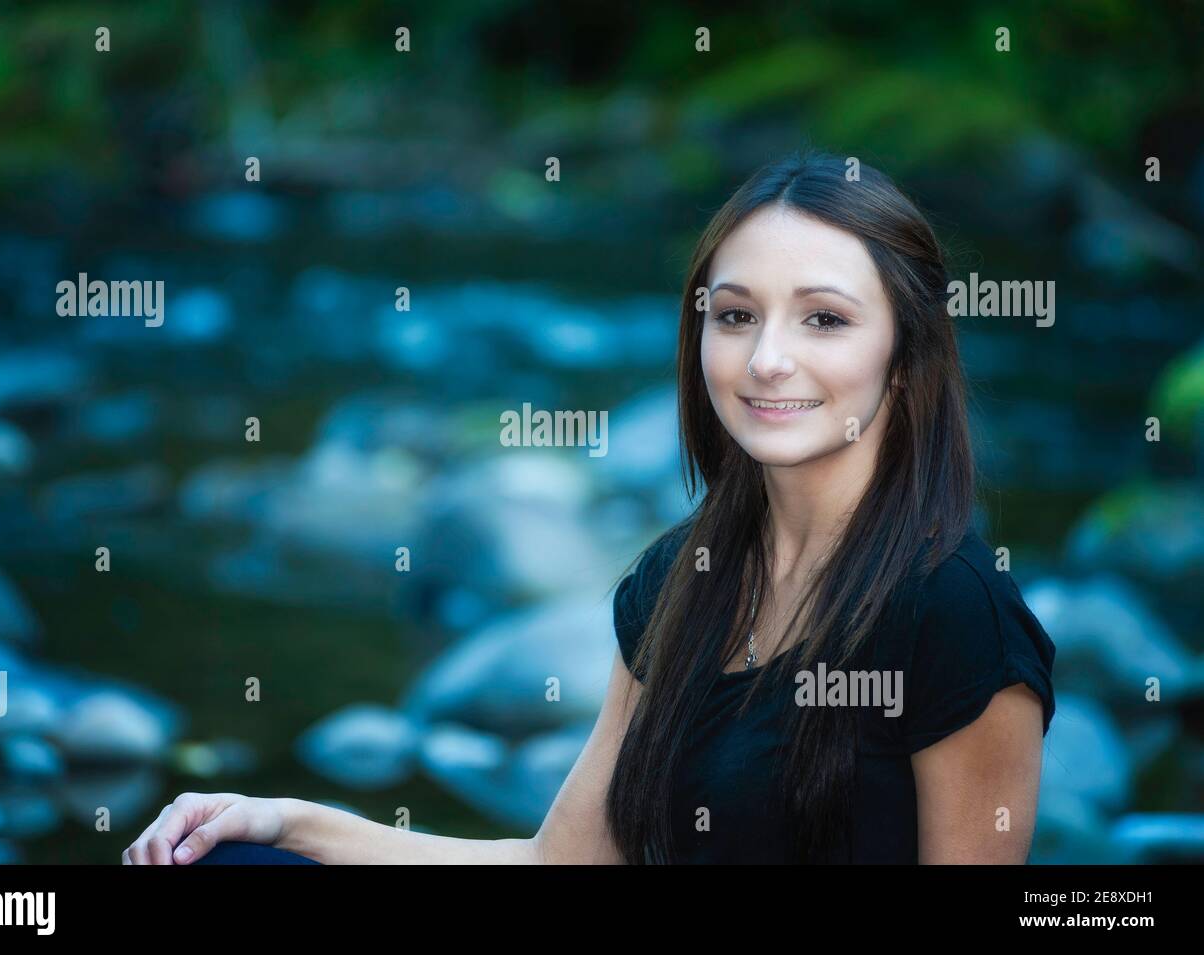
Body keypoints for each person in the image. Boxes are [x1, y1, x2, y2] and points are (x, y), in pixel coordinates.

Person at [122, 150, 1055, 865]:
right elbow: (558, 861)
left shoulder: (953, 610)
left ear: (909, 351)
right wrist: (288, 821)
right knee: (226, 860)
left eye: (824, 318)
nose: (767, 358)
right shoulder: (677, 578)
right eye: (735, 315)